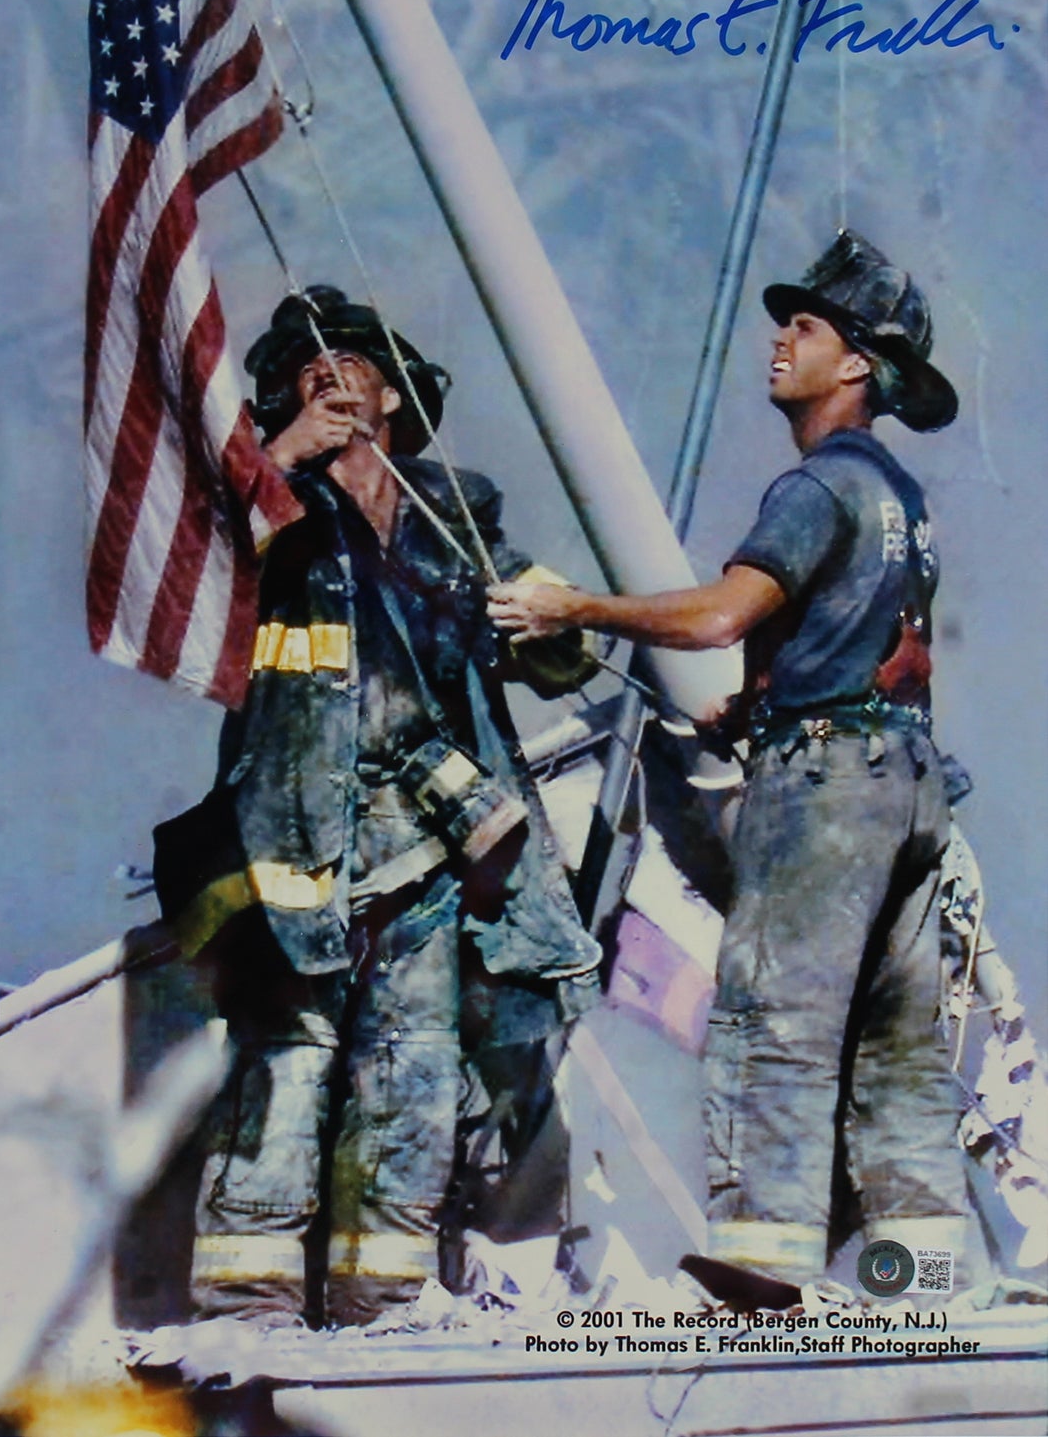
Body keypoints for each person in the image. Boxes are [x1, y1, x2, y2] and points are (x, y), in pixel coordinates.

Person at [488, 231, 968, 1294]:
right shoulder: (903, 498)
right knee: (895, 1046)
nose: (778, 341)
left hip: (826, 785)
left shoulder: (819, 487)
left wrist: (573, 606)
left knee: (774, 1020)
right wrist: (755, 701)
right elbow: (861, 627)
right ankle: (929, 1281)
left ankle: (764, 1268)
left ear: (856, 361)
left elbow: (718, 617)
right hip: (908, 781)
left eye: (805, 326)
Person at [154, 286, 602, 1328]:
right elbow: (191, 583)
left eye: (346, 359)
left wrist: (554, 619)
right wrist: (277, 460)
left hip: (430, 848)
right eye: (302, 370)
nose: (323, 372)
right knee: (286, 1063)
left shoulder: (456, 514)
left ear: (393, 393)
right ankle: (247, 1307)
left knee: (413, 1073)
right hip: (292, 835)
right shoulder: (263, 503)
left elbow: (564, 653)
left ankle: (383, 1300)